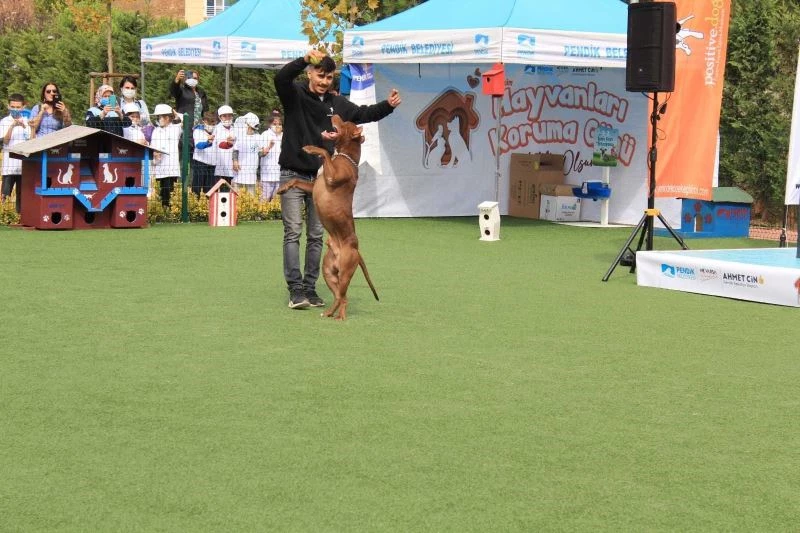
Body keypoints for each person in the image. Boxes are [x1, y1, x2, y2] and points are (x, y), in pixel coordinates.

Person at [274, 49, 402, 309]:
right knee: (293, 232)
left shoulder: (337, 104)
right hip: (292, 172)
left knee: (316, 235)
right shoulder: (295, 95)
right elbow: (280, 79)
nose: (324, 81)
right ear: (310, 73)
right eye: (320, 75)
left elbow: (364, 114)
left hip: (322, 178)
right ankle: (295, 290)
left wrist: (387, 106)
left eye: (329, 77)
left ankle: (310, 289)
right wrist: (303, 59)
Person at [0, 93, 33, 213]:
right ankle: (3, 217)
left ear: (23, 107)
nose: (15, 109)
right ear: (8, 106)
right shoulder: (4, 121)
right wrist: (13, 126)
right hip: (9, 166)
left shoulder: (27, 121)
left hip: (23, 165)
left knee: (22, 195)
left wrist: (32, 128)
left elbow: (32, 141)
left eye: (18, 107)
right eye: (13, 106)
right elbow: (5, 141)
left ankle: (20, 217)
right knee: (5, 194)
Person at [149, 104, 182, 207]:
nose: (160, 119)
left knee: (170, 193)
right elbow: (152, 147)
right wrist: (155, 154)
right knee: (161, 193)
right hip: (159, 166)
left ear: (168, 117)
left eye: (162, 116)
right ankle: (162, 214)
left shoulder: (175, 128)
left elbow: (186, 121)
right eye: (158, 116)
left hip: (171, 168)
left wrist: (175, 113)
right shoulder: (156, 131)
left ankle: (170, 214)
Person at [232, 112, 261, 195]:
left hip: (252, 170)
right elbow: (235, 151)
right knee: (237, 192)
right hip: (239, 169)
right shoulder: (240, 136)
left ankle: (250, 208)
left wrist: (266, 150)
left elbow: (260, 152)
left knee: (251, 195)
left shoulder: (258, 137)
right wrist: (235, 161)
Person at [191, 111, 217, 194]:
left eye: (214, 124)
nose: (212, 126)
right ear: (204, 121)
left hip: (212, 164)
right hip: (200, 163)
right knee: (197, 188)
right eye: (210, 123)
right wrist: (208, 142)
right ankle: (194, 205)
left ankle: (207, 206)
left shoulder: (216, 131)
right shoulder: (198, 131)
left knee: (210, 190)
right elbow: (198, 145)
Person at [259, 114, 282, 201]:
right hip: (267, 173)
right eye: (275, 124)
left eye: (279, 124)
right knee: (265, 199)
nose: (277, 126)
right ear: (270, 124)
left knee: (277, 201)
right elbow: (260, 153)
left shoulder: (283, 136)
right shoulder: (265, 135)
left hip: (280, 174)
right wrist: (269, 147)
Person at [212, 105, 236, 184]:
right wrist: (227, 144)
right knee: (218, 192)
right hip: (219, 167)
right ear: (219, 117)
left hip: (232, 167)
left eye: (229, 116)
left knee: (229, 193)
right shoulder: (216, 129)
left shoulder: (235, 129)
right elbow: (219, 145)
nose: (227, 118)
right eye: (224, 116)